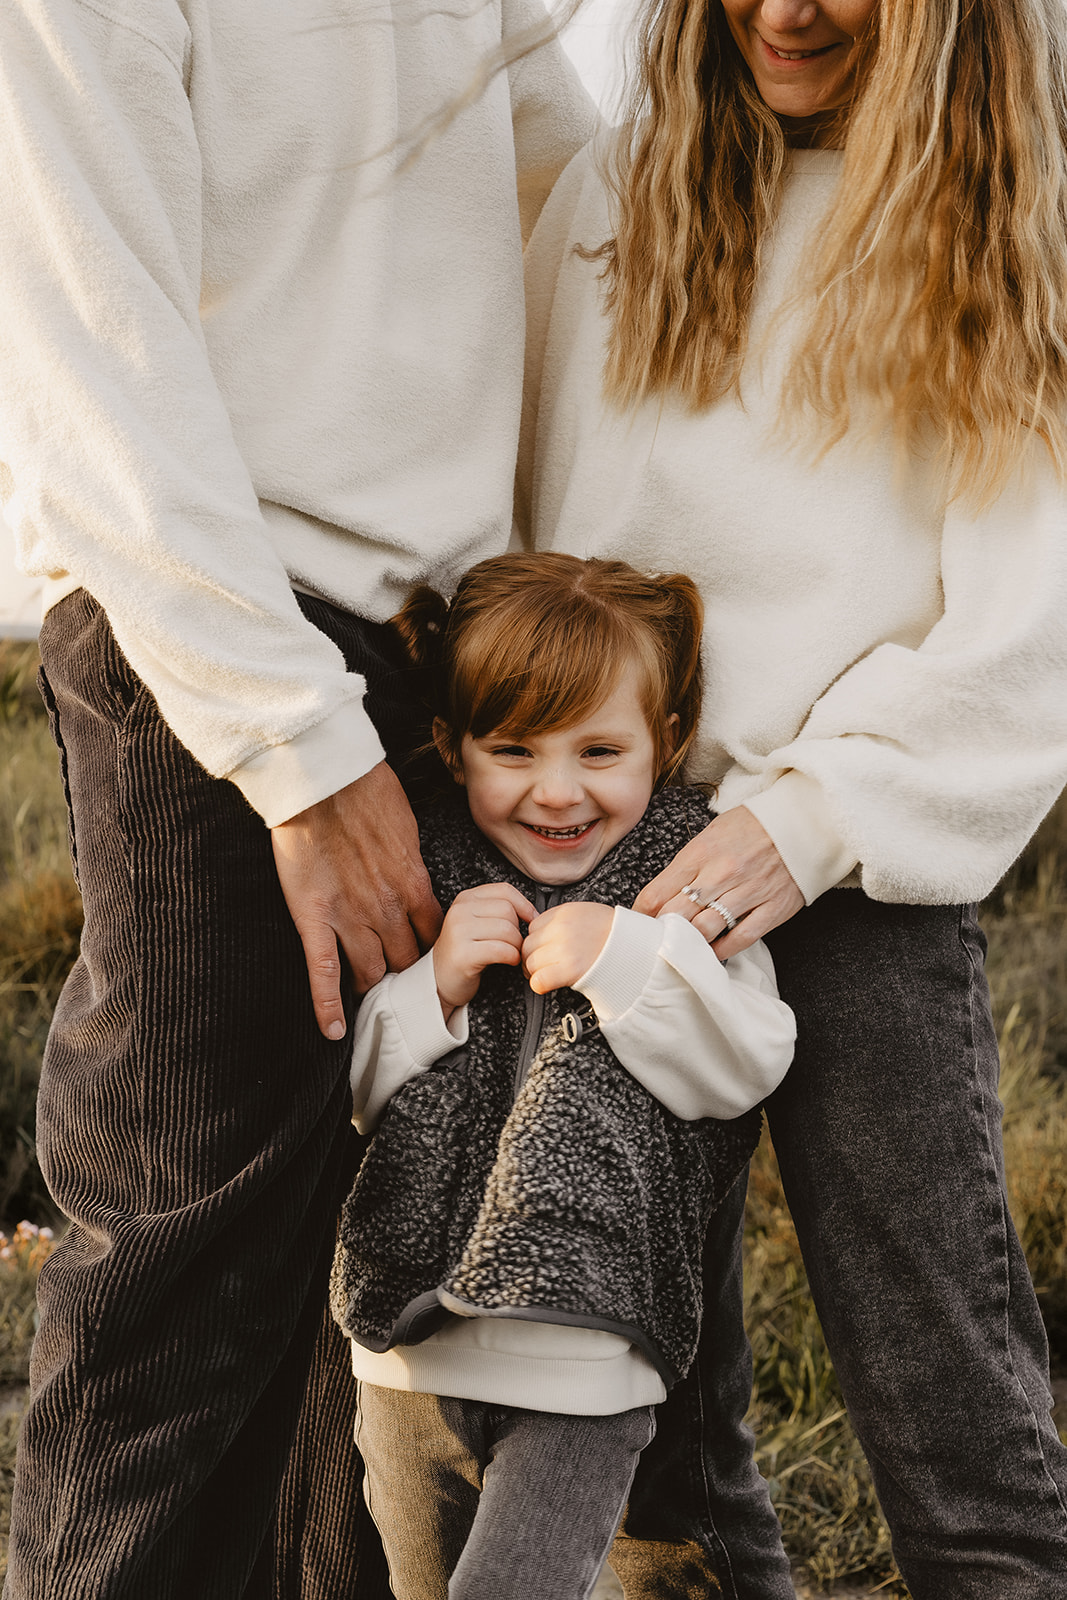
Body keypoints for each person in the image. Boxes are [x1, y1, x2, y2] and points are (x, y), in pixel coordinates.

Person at [0, 1, 593, 1595]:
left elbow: (565, 203)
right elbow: (88, 346)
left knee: (361, 1292)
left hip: (443, 654)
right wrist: (302, 755)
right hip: (228, 655)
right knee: (186, 1266)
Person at [518, 1, 1067, 1597]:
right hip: (604, 869)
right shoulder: (611, 199)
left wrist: (813, 817)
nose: (787, 10)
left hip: (851, 876)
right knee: (651, 1426)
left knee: (935, 1383)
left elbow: (1029, 624)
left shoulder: (1006, 220)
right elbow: (543, 521)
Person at [328, 551, 798, 1600]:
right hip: (405, 1353)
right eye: (512, 749)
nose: (555, 789)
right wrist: (434, 985)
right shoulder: (427, 871)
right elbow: (350, 1096)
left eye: (599, 749)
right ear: (452, 747)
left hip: (585, 1362)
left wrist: (626, 958)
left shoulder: (684, 883)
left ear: (664, 743)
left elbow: (744, 1065)